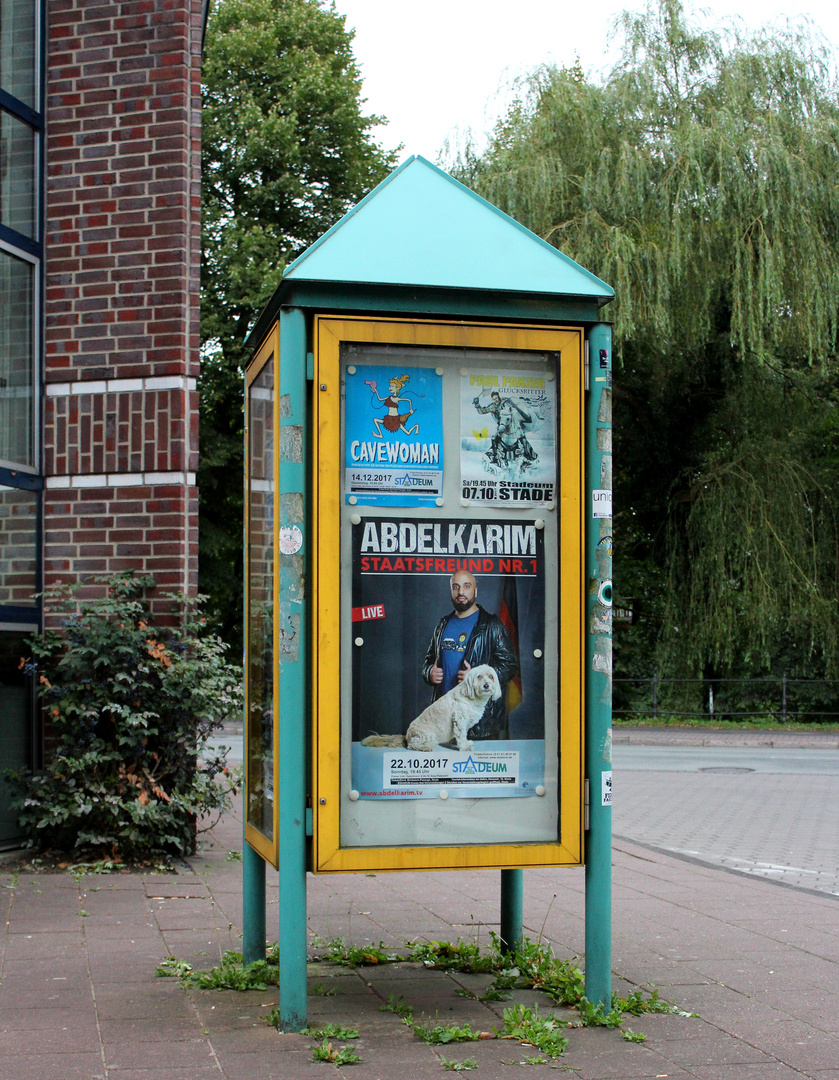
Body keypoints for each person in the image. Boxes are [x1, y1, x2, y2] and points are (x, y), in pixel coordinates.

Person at [421, 570, 518, 739]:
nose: (461, 592)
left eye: (467, 586)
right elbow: (429, 660)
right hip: (444, 720)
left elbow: (509, 665)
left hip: (478, 722)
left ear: (475, 591)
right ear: (451, 591)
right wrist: (429, 672)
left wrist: (477, 678)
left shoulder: (491, 625)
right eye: (456, 587)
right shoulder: (442, 624)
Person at [473, 390, 537, 471]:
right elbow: (482, 411)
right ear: (492, 399)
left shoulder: (506, 402)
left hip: (513, 424)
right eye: (494, 399)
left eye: (496, 398)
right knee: (494, 438)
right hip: (502, 426)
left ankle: (529, 455)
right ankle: (495, 456)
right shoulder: (493, 407)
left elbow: (516, 406)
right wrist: (477, 404)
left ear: (498, 396)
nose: (496, 400)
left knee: (522, 436)